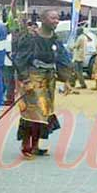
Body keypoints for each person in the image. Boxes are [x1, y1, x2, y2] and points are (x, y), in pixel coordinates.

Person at [13, 9, 67, 159]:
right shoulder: (31, 38)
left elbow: (62, 59)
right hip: (33, 78)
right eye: (52, 18)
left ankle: (36, 145)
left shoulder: (55, 39)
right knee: (32, 112)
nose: (56, 21)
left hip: (49, 79)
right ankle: (26, 145)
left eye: (57, 19)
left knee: (44, 113)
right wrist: (26, 80)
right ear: (43, 19)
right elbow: (20, 60)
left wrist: (66, 80)